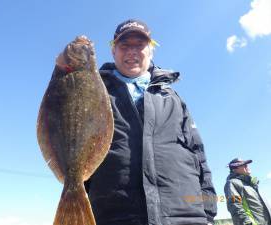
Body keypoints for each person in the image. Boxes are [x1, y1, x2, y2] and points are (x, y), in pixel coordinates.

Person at [54, 19, 217, 225]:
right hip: (116, 217)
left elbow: (198, 155)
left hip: (187, 217)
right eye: (124, 46)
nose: (132, 52)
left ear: (151, 51)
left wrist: (209, 212)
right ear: (113, 52)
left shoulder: (174, 99)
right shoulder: (94, 91)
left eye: (139, 46)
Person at [224, 158, 271, 225]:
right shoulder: (232, 183)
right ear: (234, 169)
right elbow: (235, 206)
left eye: (247, 165)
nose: (247, 167)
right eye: (244, 165)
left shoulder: (252, 184)